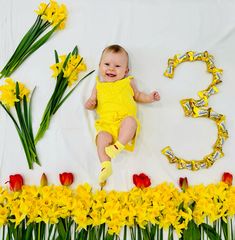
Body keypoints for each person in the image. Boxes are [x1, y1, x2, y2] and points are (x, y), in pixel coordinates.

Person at [85, 44, 160, 186]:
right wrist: (90, 104)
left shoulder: (128, 82)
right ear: (100, 66)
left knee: (131, 122)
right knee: (101, 138)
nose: (111, 68)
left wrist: (150, 98)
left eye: (118, 66)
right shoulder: (98, 85)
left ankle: (117, 147)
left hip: (123, 122)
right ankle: (106, 165)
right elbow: (92, 101)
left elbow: (138, 95)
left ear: (126, 70)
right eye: (107, 64)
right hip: (106, 125)